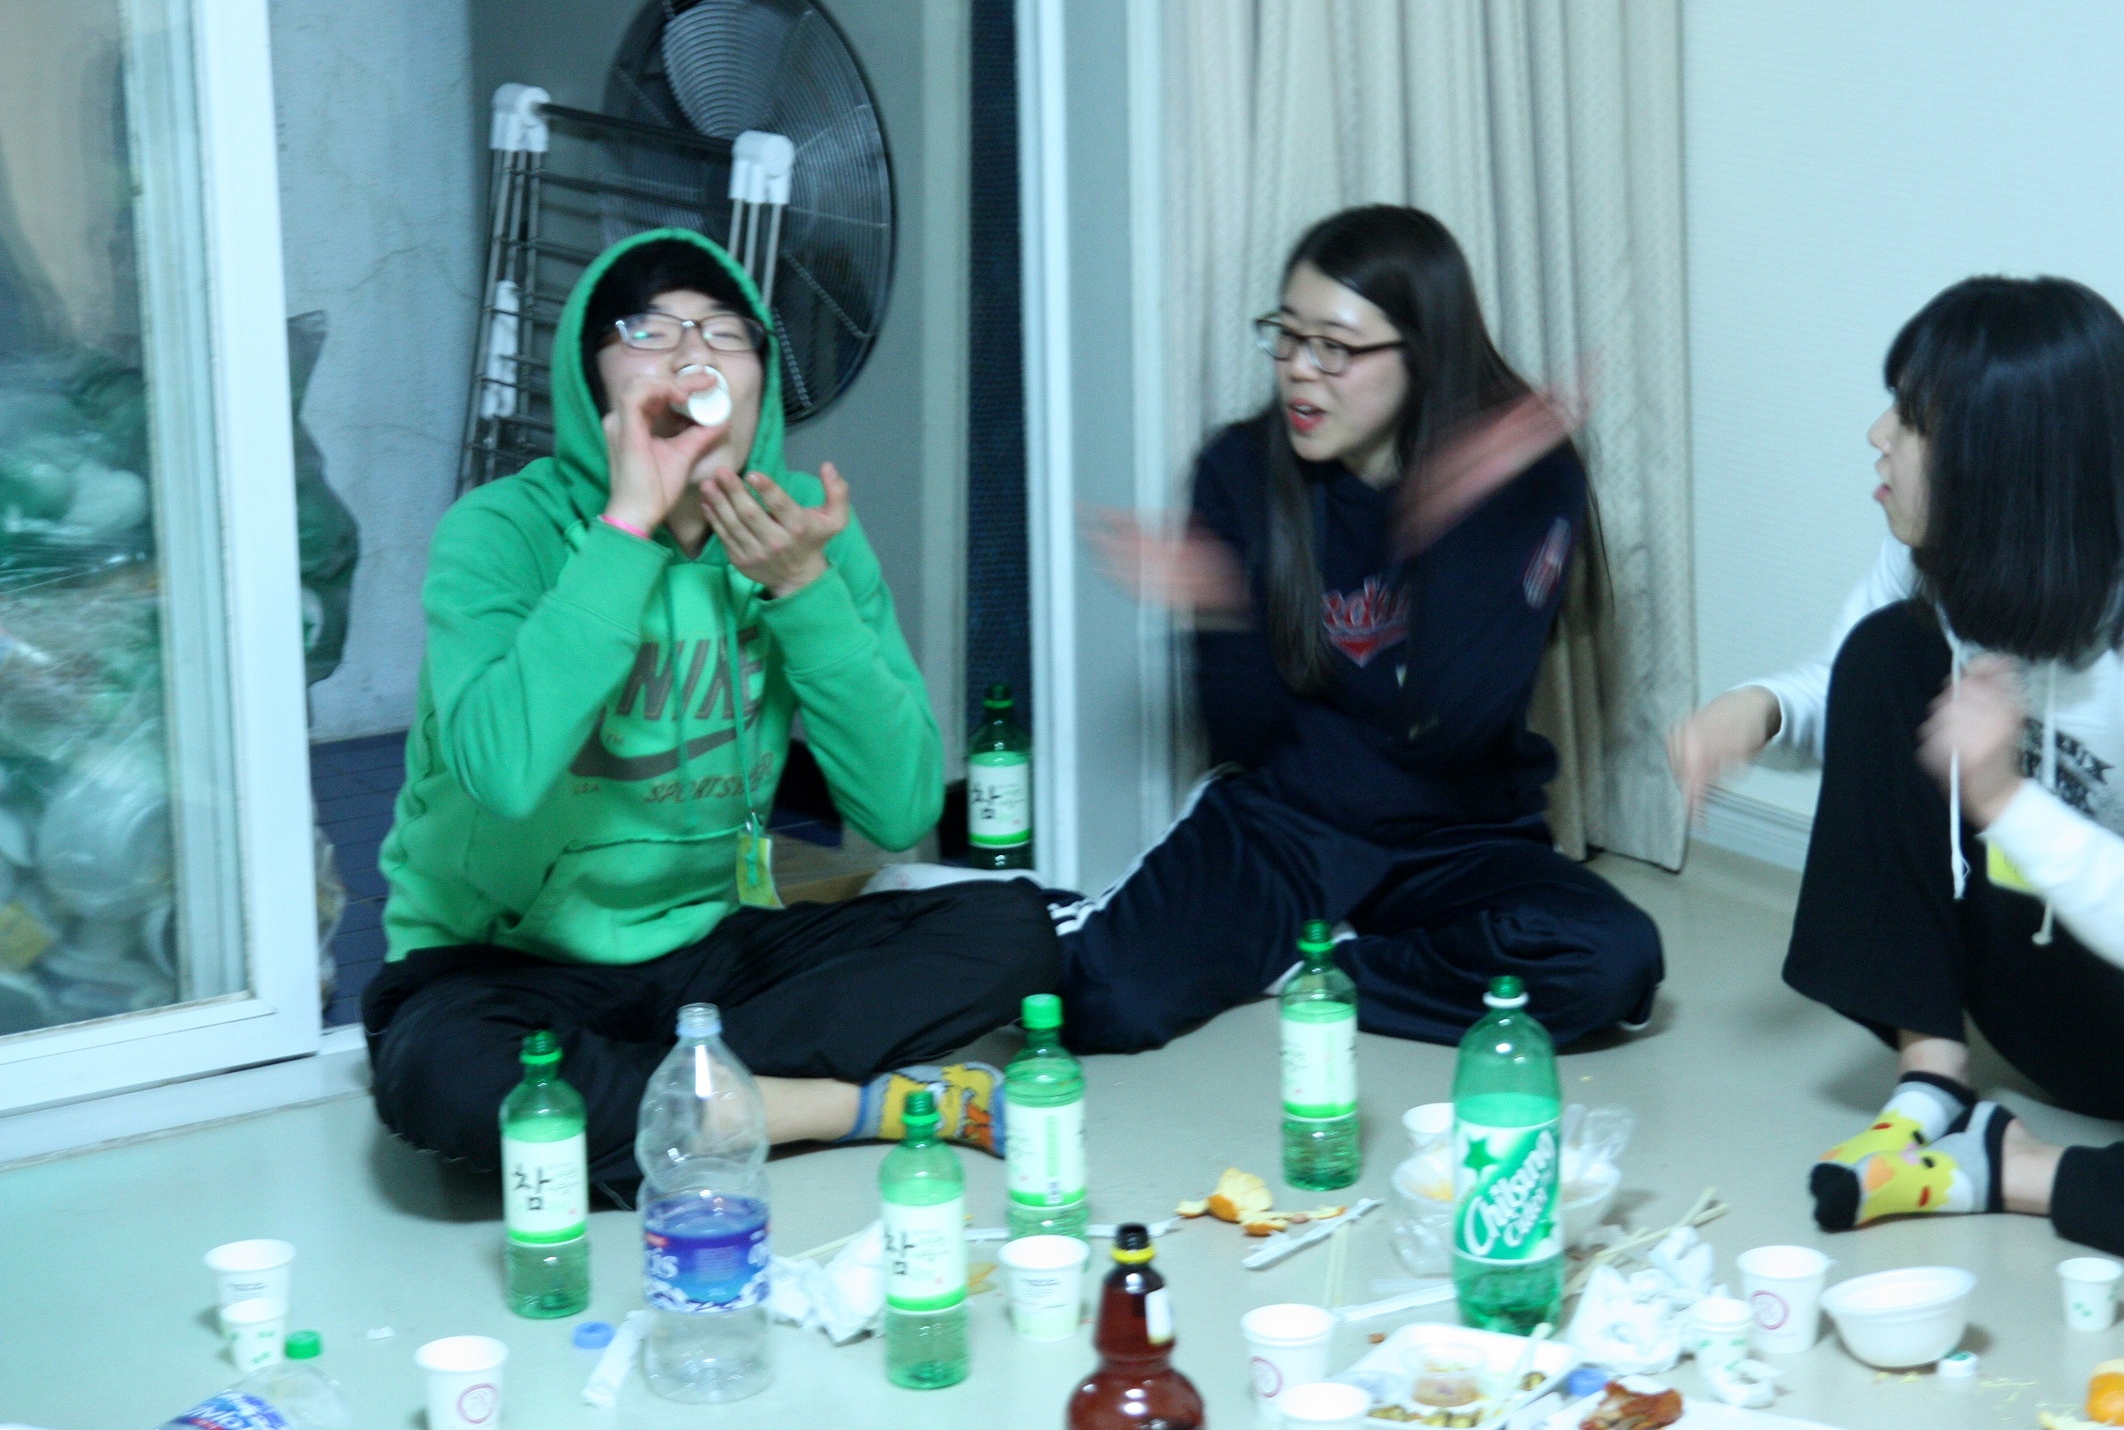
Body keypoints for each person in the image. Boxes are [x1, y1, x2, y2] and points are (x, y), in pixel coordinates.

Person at [1672, 275, 2124, 1304]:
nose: (1877, 436)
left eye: (1910, 419)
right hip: (2047, 987)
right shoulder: (1940, 558)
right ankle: (1931, 1082)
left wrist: (2008, 799)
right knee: (1884, 652)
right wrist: (1760, 711)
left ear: (1998, 461)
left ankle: (2008, 1168)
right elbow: (1856, 698)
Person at [363, 229, 1058, 1201]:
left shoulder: (798, 527)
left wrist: (805, 591)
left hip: (702, 953)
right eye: (650, 331)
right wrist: (627, 528)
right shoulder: (502, 531)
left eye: (726, 332)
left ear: (759, 385)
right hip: (498, 965)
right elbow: (505, 775)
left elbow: (900, 811)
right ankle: (852, 1106)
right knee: (448, 1074)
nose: (693, 355)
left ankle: (630, 1096)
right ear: (592, 382)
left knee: (1012, 931)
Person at [1015, 205, 1663, 1053]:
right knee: (1105, 1003)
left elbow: (1458, 724)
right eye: (1286, 336)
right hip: (1293, 823)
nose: (1299, 368)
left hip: (1459, 837)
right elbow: (1245, 736)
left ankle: (1323, 968)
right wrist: (1220, 608)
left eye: (1335, 347)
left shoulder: (1525, 479)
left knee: (1611, 962)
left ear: (1422, 354)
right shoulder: (1241, 470)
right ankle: (1263, 939)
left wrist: (1450, 526)